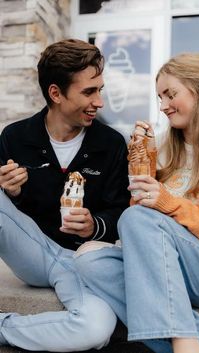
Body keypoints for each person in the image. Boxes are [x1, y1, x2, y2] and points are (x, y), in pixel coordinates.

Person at [76, 53, 199, 353]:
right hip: (168, 267)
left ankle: (186, 346)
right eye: (160, 97)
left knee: (135, 220)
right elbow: (142, 221)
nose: (162, 106)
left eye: (170, 94)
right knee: (88, 261)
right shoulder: (162, 146)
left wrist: (168, 203)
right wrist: (143, 164)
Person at [0, 38, 129, 351]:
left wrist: (94, 226)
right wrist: (11, 194)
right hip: (35, 252)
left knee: (96, 330)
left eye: (100, 89)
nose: (100, 102)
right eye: (89, 91)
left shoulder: (111, 144)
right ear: (55, 93)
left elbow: (122, 215)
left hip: (84, 263)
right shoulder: (15, 137)